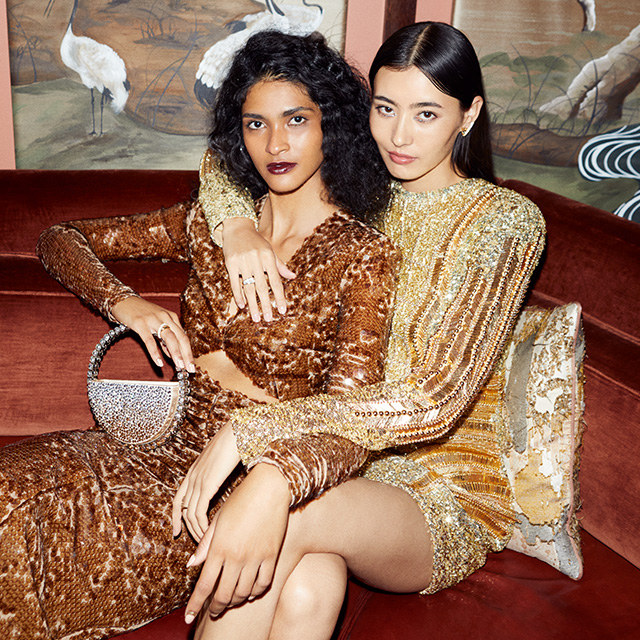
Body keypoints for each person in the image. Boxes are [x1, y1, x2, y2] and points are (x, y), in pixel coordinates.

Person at [0, 31, 399, 640]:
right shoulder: (212, 224)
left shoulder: (363, 257)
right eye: (255, 123)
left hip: (232, 488)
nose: (276, 144)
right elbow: (60, 239)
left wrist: (265, 459)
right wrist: (125, 304)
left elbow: (352, 417)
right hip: (150, 446)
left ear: (333, 125)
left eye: (297, 119)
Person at [178, 21, 546, 640]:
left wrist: (261, 442)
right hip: (344, 463)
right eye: (385, 108)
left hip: (441, 494)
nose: (399, 136)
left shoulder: (503, 221)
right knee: (307, 583)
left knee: (279, 515)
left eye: (427, 113)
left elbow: (429, 401)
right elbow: (224, 157)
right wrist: (237, 228)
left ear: (468, 114)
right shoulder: (363, 186)